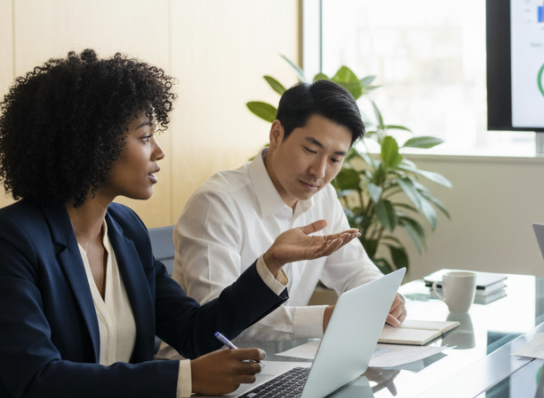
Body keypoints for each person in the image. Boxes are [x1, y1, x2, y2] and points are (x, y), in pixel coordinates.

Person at [0, 50, 359, 398]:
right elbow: (40, 381)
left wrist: (270, 264)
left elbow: (196, 332)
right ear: (93, 144)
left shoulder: (126, 230)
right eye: (146, 137)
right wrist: (188, 377)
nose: (159, 151)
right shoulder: (8, 239)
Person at [164, 79, 406, 352]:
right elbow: (217, 322)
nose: (320, 171)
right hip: (201, 377)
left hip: (282, 365)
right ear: (277, 133)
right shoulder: (217, 203)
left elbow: (354, 271)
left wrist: (380, 296)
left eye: (335, 159)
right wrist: (325, 319)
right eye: (311, 151)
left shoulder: (322, 197)